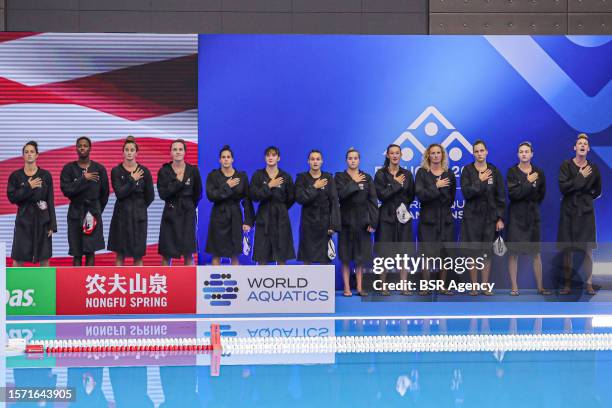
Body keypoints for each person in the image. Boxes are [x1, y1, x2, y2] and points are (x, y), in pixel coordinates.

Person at [557, 134, 602, 295]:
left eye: (585, 144)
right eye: (579, 143)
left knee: (588, 248)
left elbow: (598, 191)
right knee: (567, 248)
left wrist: (586, 197)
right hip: (568, 209)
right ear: (574, 148)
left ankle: (588, 283)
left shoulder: (594, 168)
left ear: (588, 149)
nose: (582, 145)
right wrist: (580, 177)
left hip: (586, 211)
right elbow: (563, 188)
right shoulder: (565, 165)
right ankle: (567, 284)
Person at [460, 140, 505, 295]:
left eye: (482, 151)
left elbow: (500, 196)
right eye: (476, 151)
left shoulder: (494, 171)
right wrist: (480, 181)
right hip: (472, 217)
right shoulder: (467, 170)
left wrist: (499, 218)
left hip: (489, 218)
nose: (479, 154)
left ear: (487, 152)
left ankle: (485, 286)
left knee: (486, 252)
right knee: (473, 253)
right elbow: (467, 193)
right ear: (473, 153)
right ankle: (474, 286)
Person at [506, 142, 550, 296]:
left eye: (526, 151)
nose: (524, 154)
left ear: (532, 154)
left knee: (536, 253)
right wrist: (528, 182)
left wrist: (528, 197)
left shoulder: (539, 172)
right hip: (516, 216)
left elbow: (541, 194)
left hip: (532, 215)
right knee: (513, 253)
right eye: (521, 151)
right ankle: (514, 287)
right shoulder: (512, 172)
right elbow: (514, 194)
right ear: (518, 155)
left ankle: (540, 287)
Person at [335, 148, 378, 297]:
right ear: (346, 160)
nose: (353, 160)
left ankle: (360, 287)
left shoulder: (367, 177)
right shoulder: (339, 177)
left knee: (361, 257)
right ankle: (347, 288)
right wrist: (354, 183)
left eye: (355, 158)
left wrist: (373, 221)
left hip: (362, 221)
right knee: (345, 257)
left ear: (359, 160)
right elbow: (340, 195)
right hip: (346, 220)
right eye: (350, 158)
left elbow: (372, 200)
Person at [60, 136, 109, 266]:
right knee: (77, 252)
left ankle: (87, 284)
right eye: (80, 145)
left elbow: (104, 194)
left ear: (90, 148)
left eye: (85, 145)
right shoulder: (68, 169)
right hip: (75, 213)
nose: (82, 148)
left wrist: (96, 210)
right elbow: (67, 191)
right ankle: (76, 285)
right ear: (76, 148)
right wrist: (83, 179)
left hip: (92, 213)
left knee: (90, 252)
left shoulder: (99, 169)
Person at [415, 144, 456, 295]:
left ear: (443, 155)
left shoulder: (449, 174)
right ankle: (425, 286)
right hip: (428, 220)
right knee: (426, 254)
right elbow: (420, 195)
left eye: (438, 153)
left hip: (445, 219)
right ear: (428, 156)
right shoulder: (422, 173)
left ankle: (442, 285)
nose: (436, 155)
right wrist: (436, 186)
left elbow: (451, 198)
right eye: (433, 153)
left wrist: (435, 193)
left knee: (445, 254)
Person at [7, 141, 57, 266]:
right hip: (23, 220)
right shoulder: (16, 176)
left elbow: (50, 200)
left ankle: (45, 285)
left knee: (44, 257)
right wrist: (29, 186)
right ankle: (16, 284)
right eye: (26, 152)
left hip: (43, 220)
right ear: (23, 155)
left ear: (37, 155)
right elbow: (12, 197)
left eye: (32, 152)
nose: (29, 154)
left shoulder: (45, 175)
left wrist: (52, 224)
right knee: (18, 257)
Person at [374, 144, 415, 296]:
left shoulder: (408, 174)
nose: (395, 156)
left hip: (403, 217)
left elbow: (411, 195)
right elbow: (382, 195)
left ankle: (404, 286)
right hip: (385, 216)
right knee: (384, 253)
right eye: (392, 153)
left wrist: (402, 207)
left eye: (397, 153)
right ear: (387, 155)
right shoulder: (380, 174)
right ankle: (383, 286)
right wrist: (396, 184)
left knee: (404, 254)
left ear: (401, 155)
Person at [107, 136, 155, 266]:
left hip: (138, 217)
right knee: (120, 254)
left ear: (136, 153)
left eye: (132, 150)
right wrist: (132, 179)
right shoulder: (116, 171)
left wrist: (140, 208)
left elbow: (150, 196)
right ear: (123, 152)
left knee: (138, 255)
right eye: (127, 150)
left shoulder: (144, 171)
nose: (129, 152)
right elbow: (120, 193)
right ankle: (118, 283)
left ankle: (138, 284)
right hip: (121, 216)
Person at [205, 145, 254, 265]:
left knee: (235, 253)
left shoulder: (241, 176)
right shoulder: (213, 176)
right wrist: (227, 186)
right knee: (216, 253)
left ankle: (235, 282)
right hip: (218, 216)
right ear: (219, 160)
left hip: (235, 216)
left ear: (232, 159)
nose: (226, 159)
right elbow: (211, 196)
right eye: (223, 157)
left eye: (228, 157)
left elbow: (247, 199)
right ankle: (214, 282)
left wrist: (248, 221)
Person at [157, 139, 202, 265]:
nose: (178, 152)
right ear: (170, 152)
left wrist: (190, 206)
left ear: (185, 152)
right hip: (170, 213)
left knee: (188, 254)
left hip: (188, 213)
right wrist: (178, 182)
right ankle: (165, 283)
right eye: (175, 149)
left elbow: (198, 193)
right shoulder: (164, 171)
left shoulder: (193, 170)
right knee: (166, 254)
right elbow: (163, 194)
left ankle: (190, 283)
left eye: (180, 149)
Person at [249, 146, 295, 264]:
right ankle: (261, 280)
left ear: (278, 158)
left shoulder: (285, 177)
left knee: (281, 256)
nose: (270, 157)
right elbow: (254, 196)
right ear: (265, 158)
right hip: (263, 216)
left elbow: (291, 198)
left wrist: (281, 208)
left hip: (281, 218)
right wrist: (269, 186)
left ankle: (281, 280)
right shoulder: (258, 175)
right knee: (262, 256)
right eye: (268, 155)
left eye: (273, 155)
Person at [295, 150, 341, 264]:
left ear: (322, 161)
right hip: (308, 224)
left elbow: (334, 202)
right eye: (312, 159)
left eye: (318, 159)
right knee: (307, 258)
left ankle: (323, 282)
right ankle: (307, 281)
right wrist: (314, 187)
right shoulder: (301, 178)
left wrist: (333, 225)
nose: (315, 161)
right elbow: (300, 198)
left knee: (324, 260)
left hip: (324, 224)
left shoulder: (328, 178)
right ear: (308, 161)